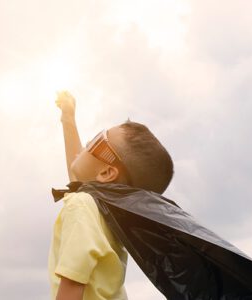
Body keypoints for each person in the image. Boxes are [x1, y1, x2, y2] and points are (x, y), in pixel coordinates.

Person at [48, 91, 174, 300]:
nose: (89, 140)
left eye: (98, 141)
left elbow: (72, 284)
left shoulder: (82, 205)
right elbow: (79, 177)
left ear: (106, 173)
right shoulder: (106, 210)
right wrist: (68, 117)